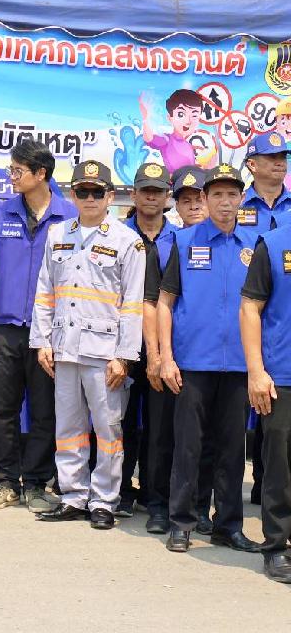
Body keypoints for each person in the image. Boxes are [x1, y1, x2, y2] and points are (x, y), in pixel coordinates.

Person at [31, 160, 145, 530]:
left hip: (105, 352)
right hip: (64, 347)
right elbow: (45, 292)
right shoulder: (58, 234)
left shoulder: (127, 241)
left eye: (98, 192)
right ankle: (73, 497)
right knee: (68, 428)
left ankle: (104, 501)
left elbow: (133, 304)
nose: (90, 198)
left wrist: (124, 357)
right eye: (83, 191)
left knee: (108, 431)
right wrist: (41, 342)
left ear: (110, 196)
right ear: (73, 195)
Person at [157, 163, 262, 554]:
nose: (225, 202)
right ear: (204, 198)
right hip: (192, 364)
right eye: (217, 194)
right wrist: (166, 358)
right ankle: (181, 523)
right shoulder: (185, 242)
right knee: (188, 447)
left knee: (232, 451)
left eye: (232, 194)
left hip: (239, 365)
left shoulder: (255, 245)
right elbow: (165, 303)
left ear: (241, 198)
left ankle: (228, 526)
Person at [0, 139, 77, 512]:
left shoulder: (69, 217)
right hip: (5, 329)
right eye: (11, 169)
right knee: (2, 408)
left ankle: (36, 482)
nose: (11, 177)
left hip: (49, 332)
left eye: (17, 171)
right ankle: (4, 482)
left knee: (45, 410)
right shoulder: (0, 214)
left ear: (41, 174)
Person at [142, 165, 215, 536]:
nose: (193, 206)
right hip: (171, 357)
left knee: (204, 439)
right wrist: (156, 357)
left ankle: (199, 506)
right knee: (162, 434)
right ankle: (158, 505)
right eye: (185, 200)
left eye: (198, 198)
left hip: (208, 360)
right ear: (176, 204)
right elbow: (152, 303)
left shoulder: (228, 243)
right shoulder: (166, 245)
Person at [118, 163, 176, 517]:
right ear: (134, 194)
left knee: (159, 426)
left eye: (158, 191)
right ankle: (121, 490)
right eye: (145, 190)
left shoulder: (180, 238)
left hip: (163, 346)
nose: (151, 196)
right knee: (119, 421)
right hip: (121, 344)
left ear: (167, 196)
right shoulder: (115, 234)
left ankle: (156, 497)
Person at [238, 132, 291, 504]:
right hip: (240, 327)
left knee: (276, 431)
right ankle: (226, 506)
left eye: (282, 157)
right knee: (233, 426)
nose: (279, 162)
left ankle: (264, 492)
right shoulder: (234, 205)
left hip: (280, 335)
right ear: (252, 164)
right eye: (271, 157)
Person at [239, 206, 291, 583]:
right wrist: (256, 371)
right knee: (280, 467)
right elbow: (250, 308)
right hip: (282, 374)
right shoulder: (273, 245)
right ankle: (276, 546)